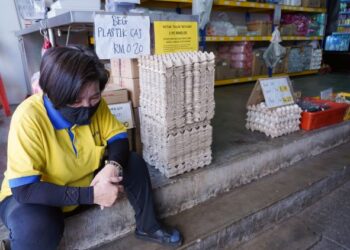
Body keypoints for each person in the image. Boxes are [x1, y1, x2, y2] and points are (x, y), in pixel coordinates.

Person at [0, 45, 183, 250]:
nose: (88, 107)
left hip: (85, 184)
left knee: (132, 162)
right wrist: (92, 195)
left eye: (94, 97)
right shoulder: (28, 118)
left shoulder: (97, 104)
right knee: (35, 227)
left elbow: (118, 138)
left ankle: (148, 226)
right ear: (54, 95)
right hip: (39, 197)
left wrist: (112, 166)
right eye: (76, 101)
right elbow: (24, 190)